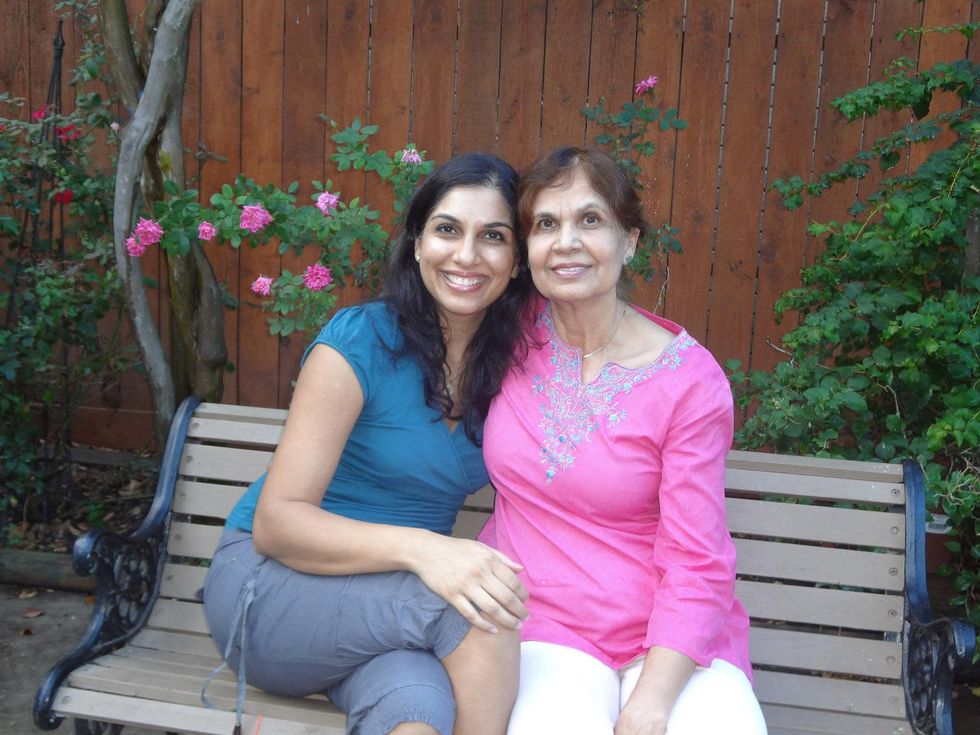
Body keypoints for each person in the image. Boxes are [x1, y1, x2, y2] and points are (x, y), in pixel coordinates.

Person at [202, 152, 534, 735]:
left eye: (494, 237)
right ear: (415, 242)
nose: (466, 255)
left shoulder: (510, 368)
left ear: (517, 260)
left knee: (417, 715)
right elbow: (277, 525)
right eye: (447, 230)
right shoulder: (360, 343)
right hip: (270, 588)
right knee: (482, 613)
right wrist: (425, 550)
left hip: (376, 617)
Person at [478, 147, 767, 735]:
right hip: (543, 627)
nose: (566, 243)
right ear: (525, 250)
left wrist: (653, 701)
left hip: (670, 639)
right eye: (546, 225)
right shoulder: (503, 335)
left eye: (590, 220)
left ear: (629, 240)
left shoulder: (690, 380)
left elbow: (698, 559)